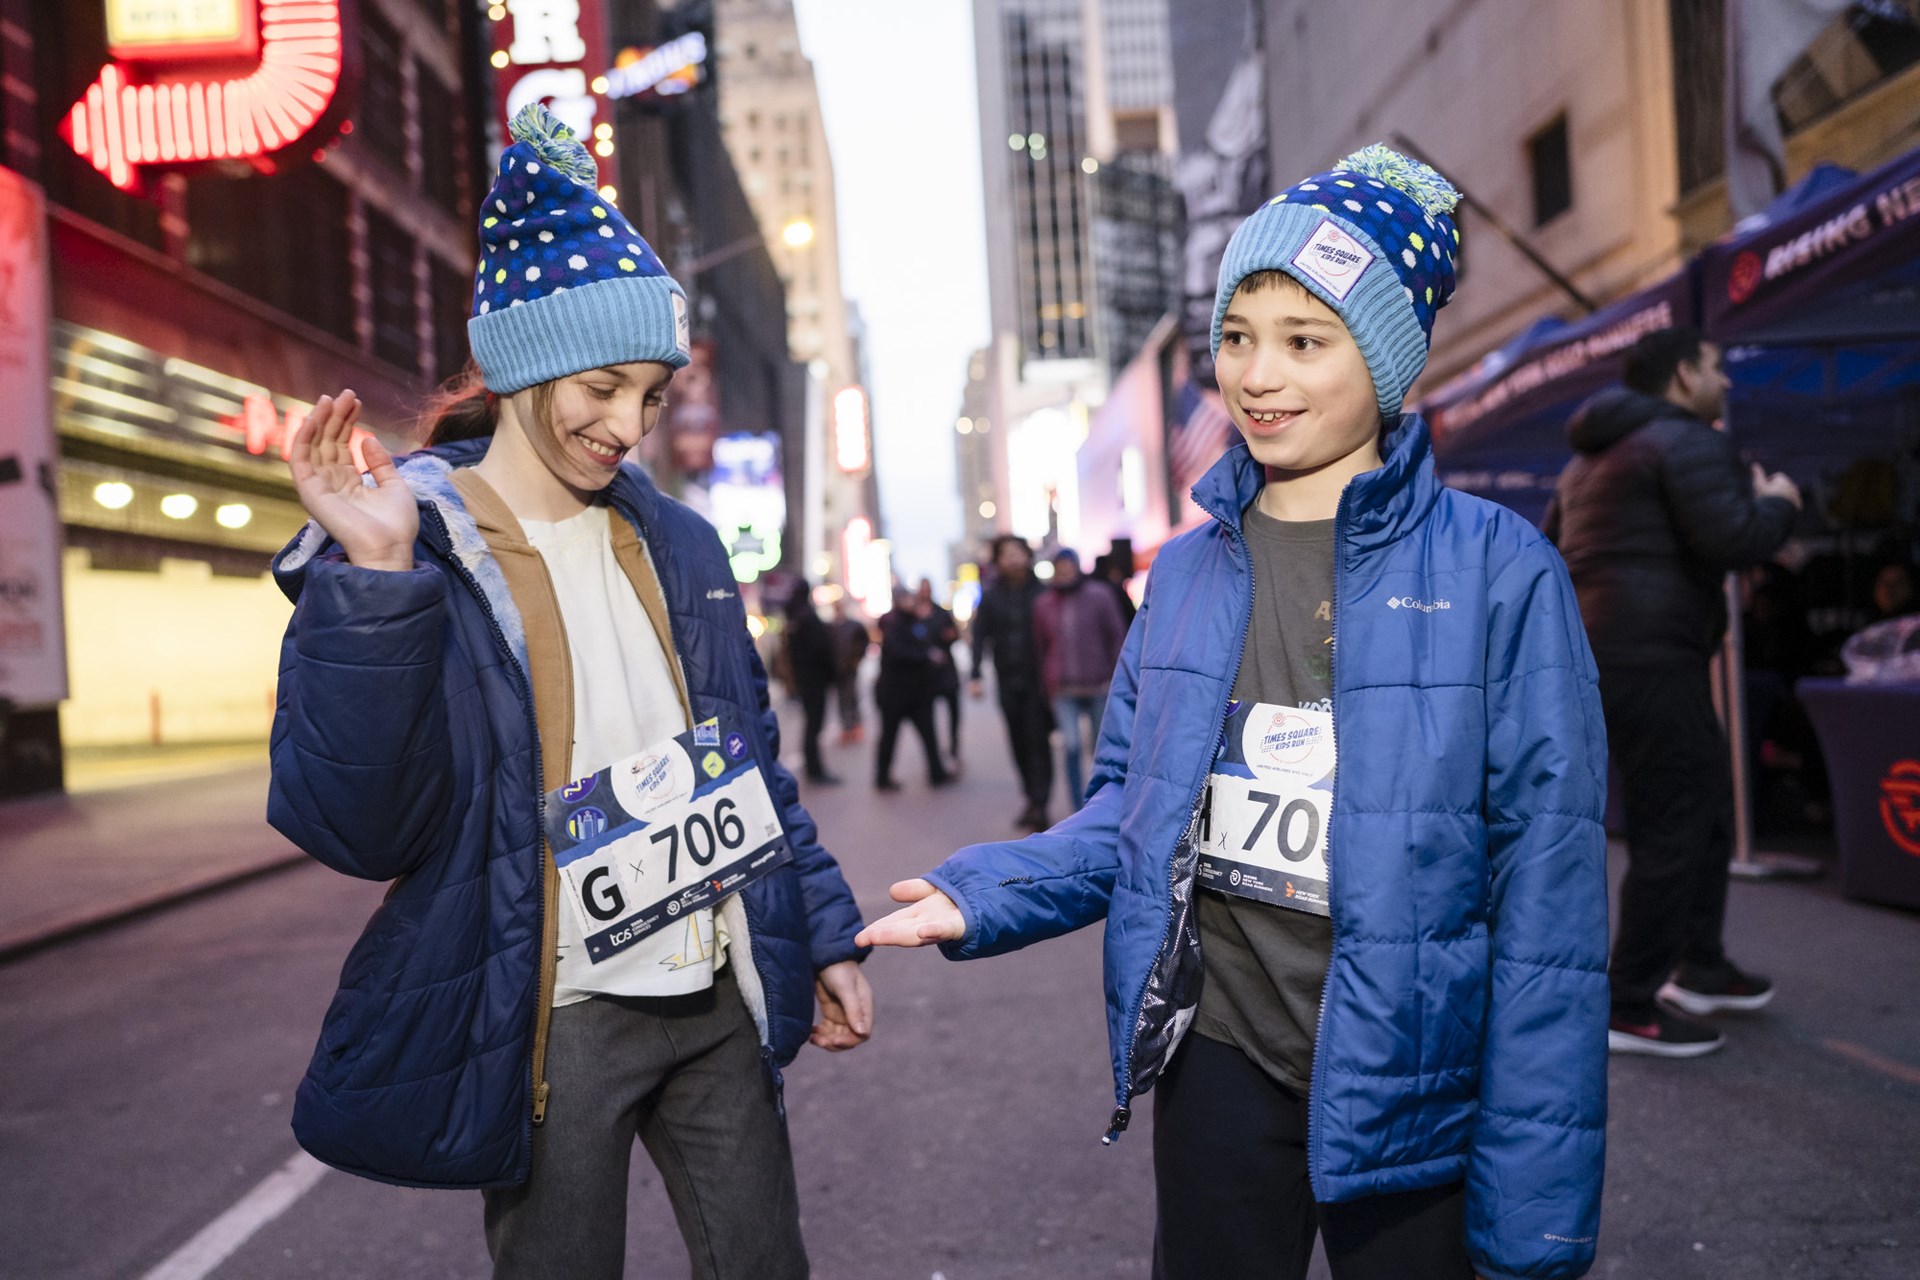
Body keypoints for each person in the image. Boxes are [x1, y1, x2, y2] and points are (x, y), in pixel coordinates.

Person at [860, 145, 1608, 1280]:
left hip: (1417, 1078)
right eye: (1239, 334)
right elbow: (1131, 809)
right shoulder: (1188, 573)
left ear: (1389, 356)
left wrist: (1537, 1219)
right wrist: (985, 893)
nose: (1258, 373)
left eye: (1305, 339)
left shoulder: (1504, 570)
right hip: (1219, 1052)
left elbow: (1549, 907)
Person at [267, 105, 871, 1280]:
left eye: (651, 391)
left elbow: (748, 764)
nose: (629, 424)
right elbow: (358, 823)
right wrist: (382, 578)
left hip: (714, 986)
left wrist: (829, 930)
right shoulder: (413, 543)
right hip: (557, 1011)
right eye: (602, 384)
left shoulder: (685, 543)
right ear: (521, 361)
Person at [1544, 326, 1800, 1059]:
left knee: (1700, 804)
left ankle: (1704, 964)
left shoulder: (1583, 464)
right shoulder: (1684, 439)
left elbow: (1551, 555)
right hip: (1655, 656)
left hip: (1603, 659)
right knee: (1677, 817)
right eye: (1718, 367)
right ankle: (1631, 1000)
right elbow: (1734, 539)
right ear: (1685, 375)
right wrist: (1777, 502)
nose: (1727, 382)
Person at [970, 535, 1055, 830]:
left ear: (1028, 556)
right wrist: (976, 674)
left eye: (1017, 552)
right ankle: (1031, 798)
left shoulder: (1042, 592)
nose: (1013, 559)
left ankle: (1041, 803)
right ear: (998, 561)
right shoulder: (991, 595)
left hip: (1039, 680)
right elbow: (979, 636)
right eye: (1006, 554)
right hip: (1007, 679)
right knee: (1018, 741)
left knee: (1038, 740)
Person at [1032, 548, 1127, 810]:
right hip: (1063, 688)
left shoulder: (1100, 595)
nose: (1064, 572)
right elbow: (1040, 647)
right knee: (1071, 746)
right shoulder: (1044, 603)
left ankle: (1101, 803)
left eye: (1068, 566)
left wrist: (1116, 678)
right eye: (1059, 567)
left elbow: (1117, 636)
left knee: (1101, 750)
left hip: (1098, 685)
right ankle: (1078, 805)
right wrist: (1046, 684)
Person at [873, 587, 954, 791]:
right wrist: (927, 656)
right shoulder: (894, 622)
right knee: (889, 736)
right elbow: (898, 652)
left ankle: (936, 772)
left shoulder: (913, 621)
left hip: (917, 692)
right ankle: (882, 777)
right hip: (895, 693)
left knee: (928, 734)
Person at [783, 581, 840, 784]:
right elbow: (820, 649)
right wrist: (832, 673)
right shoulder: (807, 617)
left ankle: (813, 767)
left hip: (804, 679)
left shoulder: (794, 618)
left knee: (812, 725)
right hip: (814, 680)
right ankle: (815, 770)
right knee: (815, 726)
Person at [916, 578, 965, 765]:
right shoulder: (915, 614)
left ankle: (953, 749)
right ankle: (934, 755)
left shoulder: (940, 612)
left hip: (946, 672)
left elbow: (954, 634)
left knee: (954, 713)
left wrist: (950, 636)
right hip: (925, 675)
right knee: (928, 717)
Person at [830, 597, 870, 743]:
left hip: (849, 668)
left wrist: (856, 660)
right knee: (842, 700)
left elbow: (864, 642)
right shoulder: (832, 626)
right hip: (837, 670)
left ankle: (855, 726)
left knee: (852, 697)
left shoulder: (853, 625)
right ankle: (847, 728)